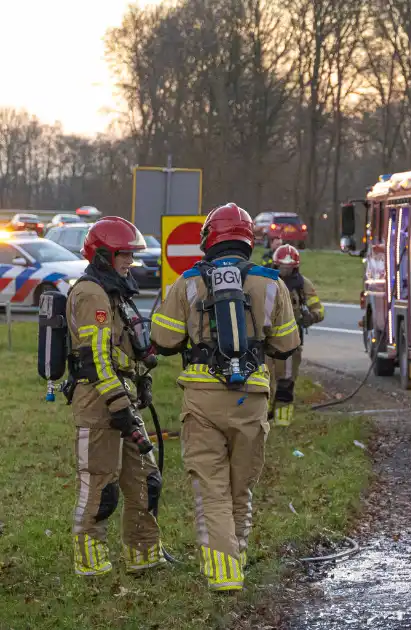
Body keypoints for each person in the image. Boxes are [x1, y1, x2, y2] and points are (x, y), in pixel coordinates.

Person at [149, 203, 301, 591]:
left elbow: (163, 341)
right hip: (250, 400)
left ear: (209, 238)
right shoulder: (272, 283)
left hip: (202, 402)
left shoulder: (187, 282)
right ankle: (238, 557)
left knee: (211, 490)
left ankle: (223, 572)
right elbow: (287, 345)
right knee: (239, 488)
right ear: (248, 239)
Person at [65, 216, 166, 576]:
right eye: (124, 254)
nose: (130, 261)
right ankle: (91, 563)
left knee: (145, 478)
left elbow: (122, 349)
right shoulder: (90, 293)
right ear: (104, 254)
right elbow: (95, 359)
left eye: (132, 255)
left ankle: (144, 555)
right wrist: (118, 404)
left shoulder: (113, 291)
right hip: (98, 403)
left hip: (121, 398)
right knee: (100, 484)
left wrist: (138, 380)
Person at [267, 244, 325, 426]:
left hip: (291, 344)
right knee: (262, 383)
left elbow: (319, 309)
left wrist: (311, 316)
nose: (285, 270)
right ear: (275, 266)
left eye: (289, 267)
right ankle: (262, 420)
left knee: (286, 383)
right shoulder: (264, 282)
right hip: (264, 342)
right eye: (281, 267)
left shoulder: (303, 285)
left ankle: (282, 422)